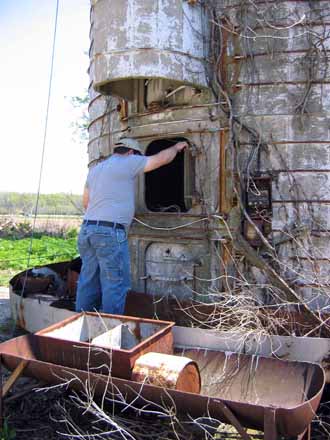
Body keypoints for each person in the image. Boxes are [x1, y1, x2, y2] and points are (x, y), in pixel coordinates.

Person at [75, 137, 187, 315]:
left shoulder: (96, 170)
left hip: (87, 230)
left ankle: (80, 321)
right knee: (114, 282)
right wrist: (176, 147)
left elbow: (86, 202)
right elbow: (161, 159)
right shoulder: (128, 162)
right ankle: (109, 330)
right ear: (131, 152)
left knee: (89, 279)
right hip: (109, 232)